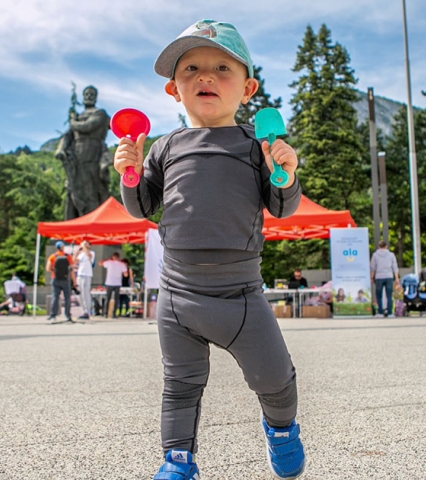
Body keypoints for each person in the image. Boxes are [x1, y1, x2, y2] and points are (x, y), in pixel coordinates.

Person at [115, 20, 305, 479]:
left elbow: (280, 206)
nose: (206, 76)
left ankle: (281, 431)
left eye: (222, 67)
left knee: (275, 379)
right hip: (178, 294)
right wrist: (130, 173)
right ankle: (177, 461)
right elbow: (144, 206)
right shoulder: (164, 147)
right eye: (192, 68)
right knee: (179, 385)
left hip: (241, 294)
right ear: (172, 90)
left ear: (248, 88)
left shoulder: (255, 145)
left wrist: (286, 173)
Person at [54, 85, 112, 219]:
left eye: (92, 94)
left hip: (93, 156)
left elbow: (87, 127)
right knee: (73, 191)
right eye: (86, 94)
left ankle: (93, 225)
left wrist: (72, 121)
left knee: (91, 192)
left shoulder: (99, 114)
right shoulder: (78, 116)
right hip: (76, 159)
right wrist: (60, 149)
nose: (89, 97)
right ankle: (72, 227)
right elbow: (67, 135)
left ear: (96, 97)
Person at [46, 241, 76, 322]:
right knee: (67, 298)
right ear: (63, 247)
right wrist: (74, 281)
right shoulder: (68, 256)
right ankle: (67, 315)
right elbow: (72, 269)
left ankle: (53, 315)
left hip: (55, 278)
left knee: (55, 297)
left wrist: (54, 270)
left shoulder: (52, 256)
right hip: (66, 279)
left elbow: (48, 268)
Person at [370, 240, 400, 318]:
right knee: (389, 295)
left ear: (379, 247)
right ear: (386, 246)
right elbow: (395, 267)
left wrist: (372, 277)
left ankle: (380, 312)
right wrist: (396, 278)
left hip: (379, 277)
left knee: (379, 295)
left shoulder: (375, 255)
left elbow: (373, 267)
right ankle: (390, 313)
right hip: (389, 276)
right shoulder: (391, 255)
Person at [99, 252, 127, 319]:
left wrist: (107, 259)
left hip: (109, 283)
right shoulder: (122, 264)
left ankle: (105, 313)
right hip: (117, 283)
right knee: (116, 299)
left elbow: (100, 263)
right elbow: (125, 274)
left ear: (113, 257)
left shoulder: (109, 262)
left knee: (107, 298)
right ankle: (114, 314)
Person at [74, 241, 95, 319]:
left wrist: (83, 246)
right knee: (80, 293)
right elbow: (74, 261)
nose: (85, 245)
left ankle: (87, 311)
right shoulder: (81, 254)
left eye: (87, 244)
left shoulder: (92, 253)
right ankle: (83, 311)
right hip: (80, 274)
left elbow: (89, 255)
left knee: (86, 293)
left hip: (87, 274)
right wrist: (76, 252)